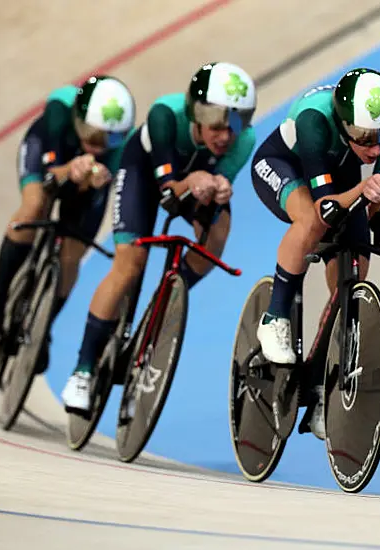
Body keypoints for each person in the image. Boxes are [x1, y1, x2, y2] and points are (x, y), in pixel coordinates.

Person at [61, 61, 258, 412]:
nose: (226, 135)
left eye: (236, 122)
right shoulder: (166, 115)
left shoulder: (245, 142)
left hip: (191, 186)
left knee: (219, 230)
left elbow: (210, 196)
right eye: (217, 122)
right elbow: (169, 193)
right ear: (196, 113)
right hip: (144, 178)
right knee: (130, 265)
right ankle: (83, 371)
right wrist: (197, 179)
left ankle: (169, 294)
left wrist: (219, 188)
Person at [249, 67, 380, 438]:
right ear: (343, 123)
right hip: (285, 167)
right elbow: (324, 209)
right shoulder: (314, 119)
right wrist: (365, 189)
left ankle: (322, 379)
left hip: (340, 182)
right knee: (309, 222)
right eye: (365, 137)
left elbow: (375, 219)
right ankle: (275, 317)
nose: (375, 149)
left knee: (356, 264)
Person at [0, 74, 136, 373]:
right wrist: (70, 169)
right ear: (78, 118)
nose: (99, 145)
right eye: (92, 133)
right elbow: (50, 176)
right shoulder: (60, 109)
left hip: (87, 181)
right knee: (34, 205)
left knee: (72, 253)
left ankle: (43, 329)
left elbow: (105, 183)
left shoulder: (122, 146)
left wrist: (94, 179)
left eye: (110, 138)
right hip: (50, 155)